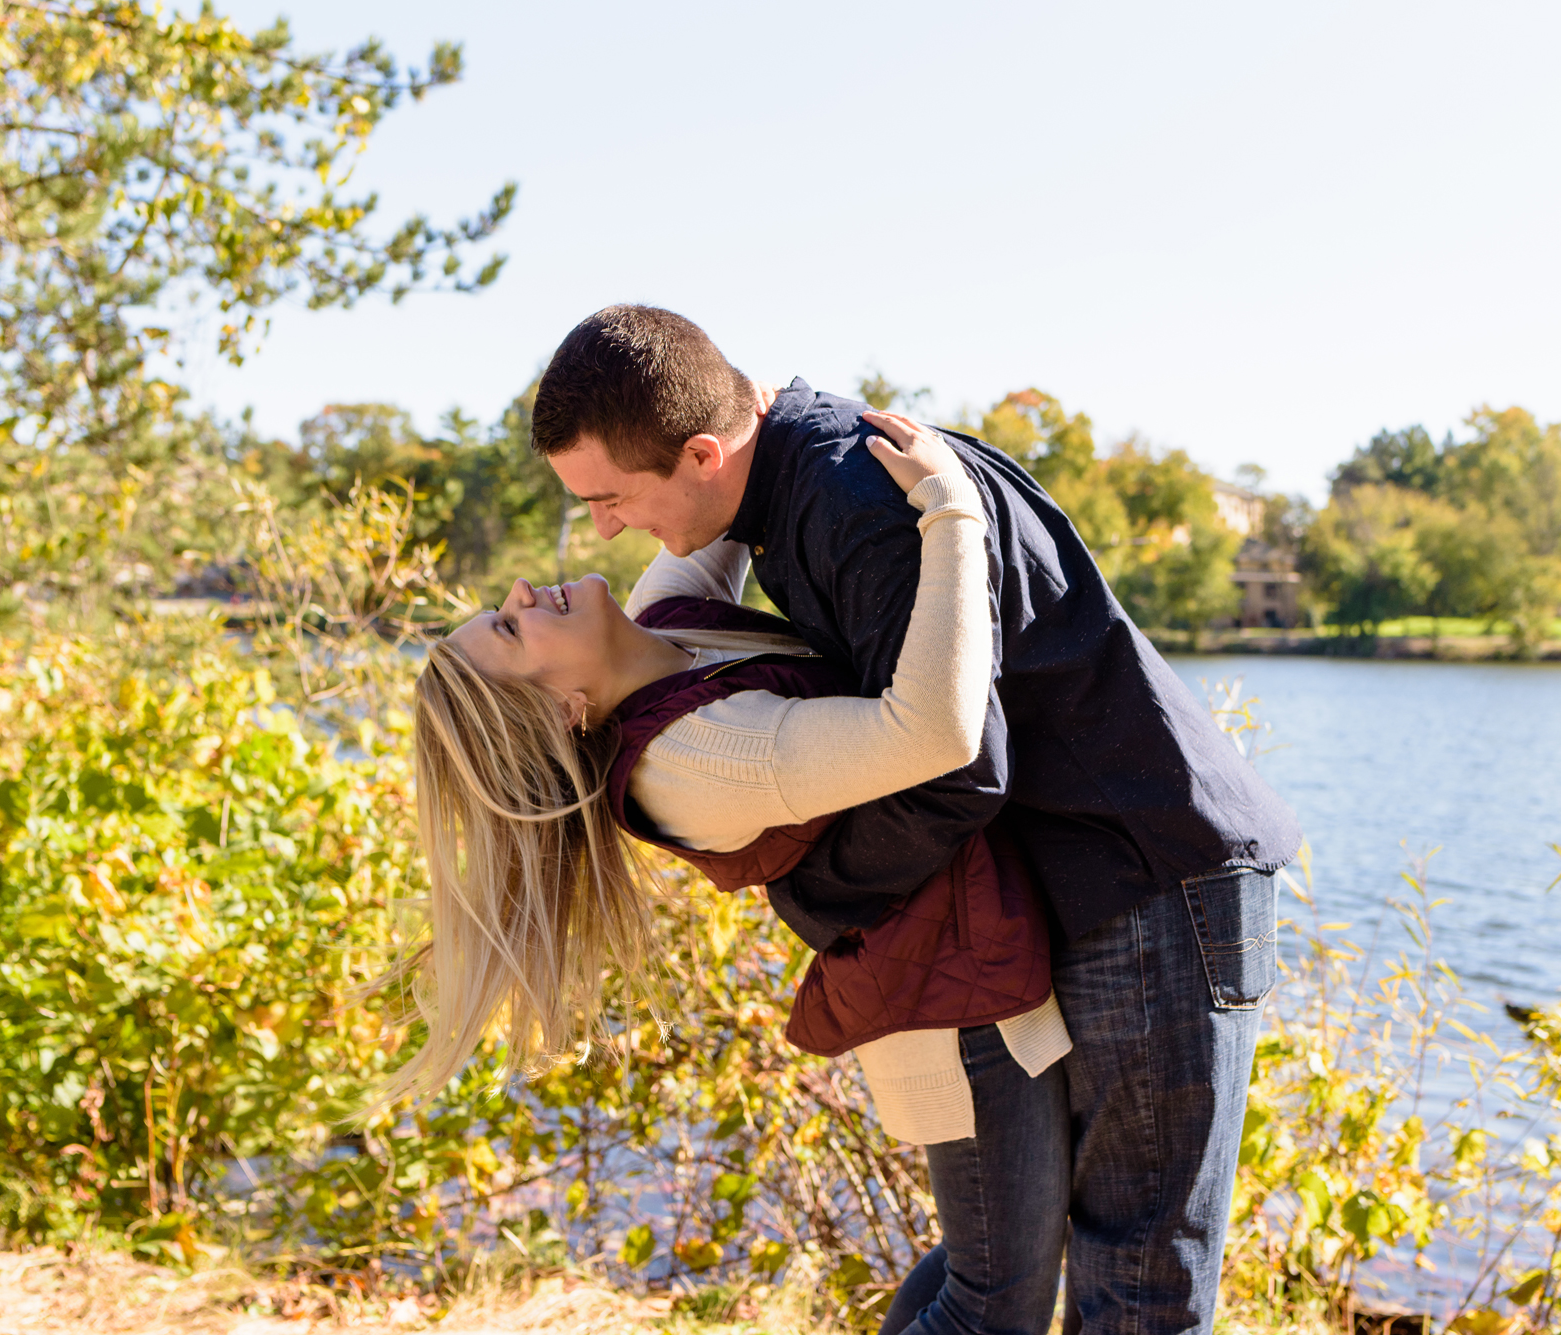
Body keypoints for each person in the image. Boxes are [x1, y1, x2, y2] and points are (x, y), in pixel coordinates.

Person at [530, 305, 1305, 1335]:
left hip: (1147, 875)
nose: (603, 530)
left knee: (1137, 1268)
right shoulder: (782, 492)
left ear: (703, 453)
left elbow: (959, 766)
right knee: (1048, 1262)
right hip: (1087, 877)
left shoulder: (852, 498)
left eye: (609, 500)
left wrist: (817, 899)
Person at [391, 412, 1073, 1332]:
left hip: (961, 966)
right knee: (994, 1298)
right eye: (511, 630)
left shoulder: (662, 631)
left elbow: (706, 483)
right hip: (949, 1004)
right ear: (564, 711)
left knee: (982, 1273)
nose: (519, 592)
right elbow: (934, 734)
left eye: (500, 610)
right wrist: (952, 512)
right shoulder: (694, 759)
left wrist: (739, 406)